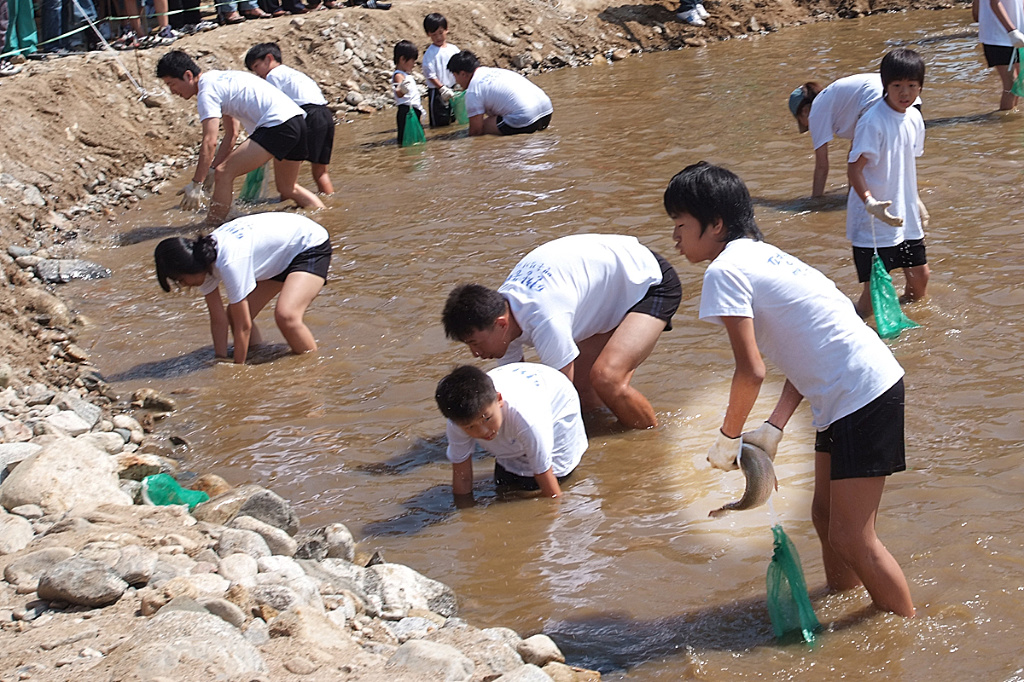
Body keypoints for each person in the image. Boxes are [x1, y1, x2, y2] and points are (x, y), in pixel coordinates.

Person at [664, 161, 915, 618]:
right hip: (848, 392)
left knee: (853, 535)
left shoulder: (726, 271)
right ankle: (848, 607)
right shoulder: (766, 256)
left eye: (681, 225)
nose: (675, 238)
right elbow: (809, 350)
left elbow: (751, 371)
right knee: (825, 518)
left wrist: (728, 438)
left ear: (715, 224)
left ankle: (903, 630)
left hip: (862, 393)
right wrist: (773, 426)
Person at [441, 234, 681, 430]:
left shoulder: (545, 319)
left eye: (475, 343)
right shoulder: (503, 310)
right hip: (603, 289)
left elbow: (560, 398)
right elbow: (512, 391)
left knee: (606, 378)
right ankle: (608, 445)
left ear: (501, 324)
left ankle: (650, 442)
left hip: (647, 281)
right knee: (584, 392)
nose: (475, 353)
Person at [156, 50, 325, 227]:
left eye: (172, 84)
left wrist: (196, 183)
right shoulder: (219, 79)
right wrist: (211, 170)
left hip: (278, 125)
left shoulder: (206, 92)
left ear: (188, 75)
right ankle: (326, 219)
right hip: (297, 121)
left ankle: (210, 229)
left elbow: (209, 141)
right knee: (287, 188)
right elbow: (231, 135)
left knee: (225, 173)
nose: (172, 91)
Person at [153, 212, 331, 365]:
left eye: (180, 279)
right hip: (280, 254)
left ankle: (312, 368)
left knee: (287, 316)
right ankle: (257, 352)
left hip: (309, 245)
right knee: (233, 314)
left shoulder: (229, 262)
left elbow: (244, 325)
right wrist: (220, 359)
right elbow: (218, 320)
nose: (184, 285)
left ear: (189, 267)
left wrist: (238, 369)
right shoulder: (203, 260)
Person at [846, 48, 929, 317]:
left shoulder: (914, 117)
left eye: (911, 86)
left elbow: (906, 164)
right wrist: (870, 203)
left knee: (920, 278)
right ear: (885, 85)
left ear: (920, 87)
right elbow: (854, 169)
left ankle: (907, 326)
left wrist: (915, 200)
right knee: (875, 293)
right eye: (897, 86)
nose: (904, 93)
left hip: (904, 216)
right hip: (874, 221)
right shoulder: (872, 121)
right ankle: (852, 329)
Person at [435, 363, 587, 500]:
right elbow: (463, 478)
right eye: (470, 427)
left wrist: (554, 515)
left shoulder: (527, 419)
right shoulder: (459, 420)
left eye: (486, 419)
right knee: (503, 486)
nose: (482, 431)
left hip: (558, 403)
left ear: (499, 399)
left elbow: (551, 489)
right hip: (520, 399)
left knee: (534, 483)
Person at [245, 42, 335, 195]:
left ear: (269, 59)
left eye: (256, 67)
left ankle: (287, 205)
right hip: (325, 115)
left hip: (306, 116)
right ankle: (330, 205)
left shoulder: (273, 76)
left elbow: (273, 106)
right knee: (320, 172)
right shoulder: (293, 73)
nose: (258, 74)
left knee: (286, 179)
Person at [788, 76, 881, 197]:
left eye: (800, 120)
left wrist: (815, 202)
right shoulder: (833, 100)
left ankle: (856, 199)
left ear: (805, 111)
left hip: (874, 100)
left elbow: (822, 166)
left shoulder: (816, 111)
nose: (808, 126)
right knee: (857, 158)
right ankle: (854, 197)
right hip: (888, 92)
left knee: (856, 161)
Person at [446, 50, 552, 136]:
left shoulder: (473, 90)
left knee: (483, 126)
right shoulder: (493, 71)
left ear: (463, 74)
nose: (456, 81)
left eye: (455, 76)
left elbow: (476, 131)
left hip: (526, 117)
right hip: (546, 111)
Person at [973, 0, 1024, 110]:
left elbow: (976, 14)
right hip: (998, 37)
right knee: (1011, 85)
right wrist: (1012, 31)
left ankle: (1011, 118)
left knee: (1020, 83)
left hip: (1017, 35)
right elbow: (994, 3)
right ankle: (1006, 123)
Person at [421, 12, 459, 128]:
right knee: (439, 122)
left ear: (447, 30)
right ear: (428, 34)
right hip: (437, 92)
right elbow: (429, 74)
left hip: (452, 88)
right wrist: (441, 88)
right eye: (434, 34)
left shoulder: (453, 49)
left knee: (454, 119)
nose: (438, 37)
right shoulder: (430, 54)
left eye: (440, 33)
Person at [392, 39, 425, 146]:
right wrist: (402, 90)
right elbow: (398, 92)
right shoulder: (399, 75)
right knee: (407, 141)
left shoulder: (406, 75)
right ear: (402, 59)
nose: (414, 64)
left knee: (415, 139)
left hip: (413, 111)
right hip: (406, 112)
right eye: (412, 61)